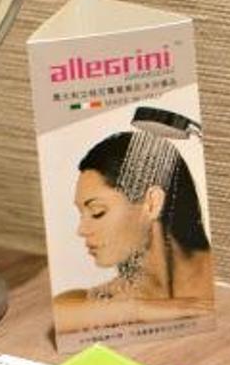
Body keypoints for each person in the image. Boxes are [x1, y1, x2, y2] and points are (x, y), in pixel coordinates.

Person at [67, 112, 213, 310]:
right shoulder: (111, 297)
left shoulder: (221, 278)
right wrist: (151, 311)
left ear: (152, 203)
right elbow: (63, 306)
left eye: (97, 211)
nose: (81, 230)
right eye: (81, 214)